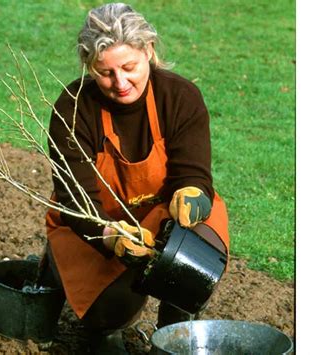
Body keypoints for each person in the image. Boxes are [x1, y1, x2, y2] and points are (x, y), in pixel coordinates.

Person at [42, 3, 230, 353]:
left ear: (149, 51)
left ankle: (175, 333)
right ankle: (105, 330)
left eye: (129, 67)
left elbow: (194, 172)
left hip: (165, 220)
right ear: (89, 68)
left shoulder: (180, 97)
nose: (121, 82)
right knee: (110, 307)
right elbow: (75, 201)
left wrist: (192, 195)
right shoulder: (72, 109)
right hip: (97, 224)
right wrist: (110, 235)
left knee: (193, 262)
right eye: (105, 72)